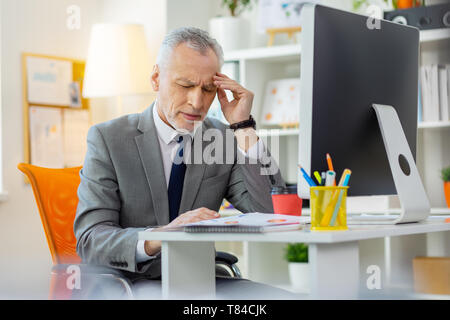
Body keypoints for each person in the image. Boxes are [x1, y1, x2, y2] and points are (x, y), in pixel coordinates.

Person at [74, 27, 295, 299]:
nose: (197, 102)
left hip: (202, 281)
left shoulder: (222, 139)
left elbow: (273, 210)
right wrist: (162, 235)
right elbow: (91, 240)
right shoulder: (108, 139)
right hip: (130, 284)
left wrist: (243, 126)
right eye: (186, 85)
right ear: (156, 78)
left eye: (208, 89)